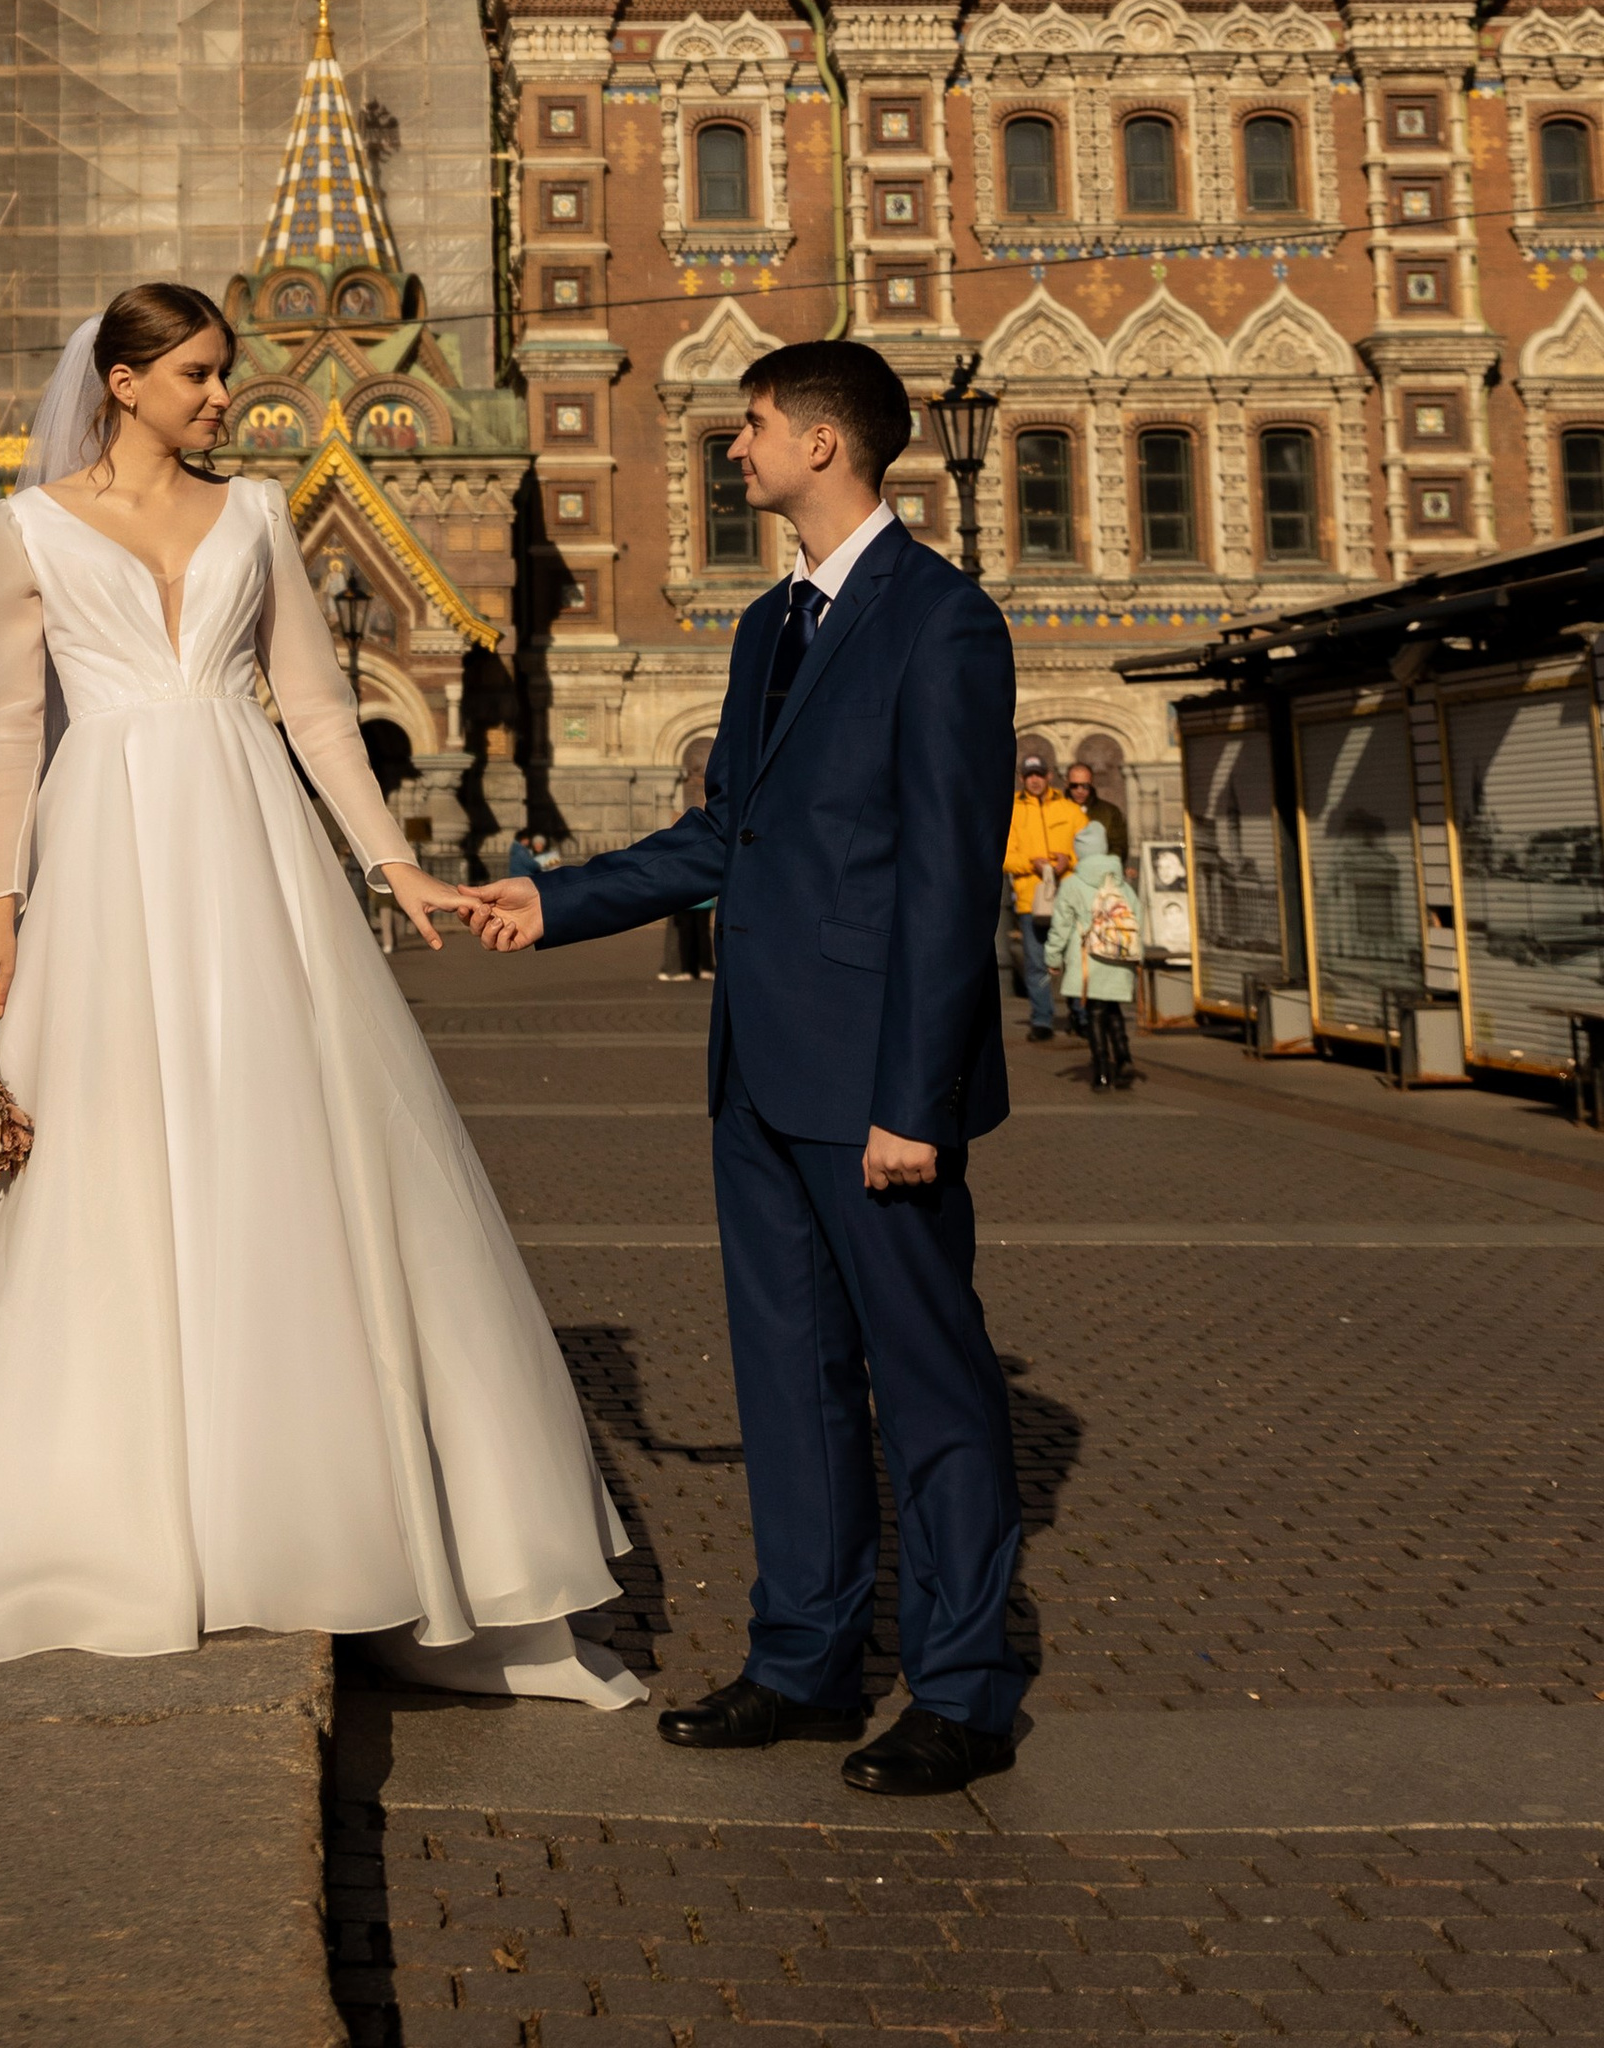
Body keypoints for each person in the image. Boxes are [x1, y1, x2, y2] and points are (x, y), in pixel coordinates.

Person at [0, 283, 641, 1707]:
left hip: (253, 851)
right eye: (198, 375)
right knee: (107, 1153)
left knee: (290, 1149)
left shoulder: (257, 514)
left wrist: (391, 864)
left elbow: (316, 709)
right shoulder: (21, 530)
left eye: (223, 374)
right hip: (105, 854)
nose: (221, 397)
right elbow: (7, 734)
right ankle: (94, 1512)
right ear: (123, 382)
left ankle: (325, 1525)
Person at [457, 338, 1025, 1798]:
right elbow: (729, 833)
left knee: (932, 1388)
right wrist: (554, 900)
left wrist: (917, 1101)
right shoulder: (772, 622)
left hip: (876, 1087)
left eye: (753, 423)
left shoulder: (944, 622)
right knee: (787, 1381)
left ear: (823, 444)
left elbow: (951, 879)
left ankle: (963, 1691)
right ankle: (804, 1663)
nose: (732, 448)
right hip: (760, 1071)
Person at [1046, 820, 1141, 1092]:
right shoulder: (1120, 881)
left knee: (1095, 1011)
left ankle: (1101, 1070)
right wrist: (1139, 954)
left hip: (1088, 957)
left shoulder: (1072, 884)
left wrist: (1052, 958)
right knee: (1112, 1008)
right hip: (1119, 955)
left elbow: (1061, 926)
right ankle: (1123, 1057)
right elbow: (1137, 916)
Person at [1002, 761, 1081, 1043]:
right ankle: (1042, 1020)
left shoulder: (1069, 809)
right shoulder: (1011, 809)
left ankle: (1080, 1017)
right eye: (1029, 775)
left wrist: (1068, 860)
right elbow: (1003, 854)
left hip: (1068, 898)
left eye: (1038, 774)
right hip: (1031, 902)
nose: (1034, 780)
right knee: (1036, 964)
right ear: (1021, 778)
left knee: (1074, 960)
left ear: (1048, 776)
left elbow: (1086, 847)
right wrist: (1030, 863)